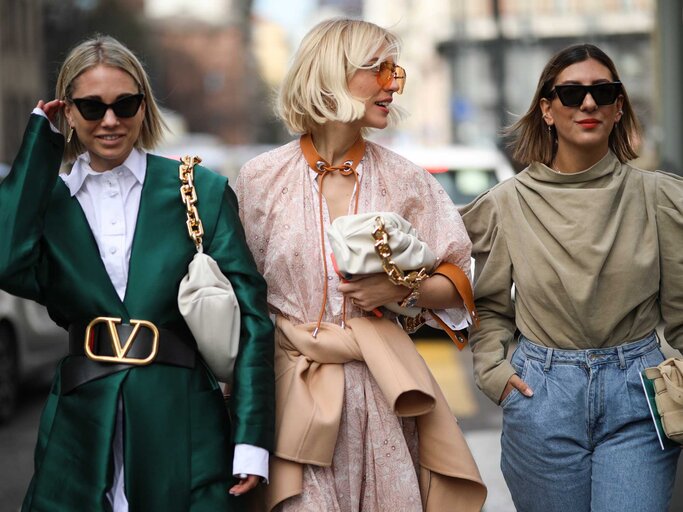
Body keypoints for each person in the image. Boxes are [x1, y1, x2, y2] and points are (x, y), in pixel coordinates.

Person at [0, 35, 274, 511]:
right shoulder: (49, 203)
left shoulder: (198, 190)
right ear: (68, 114)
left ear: (144, 107)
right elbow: (6, 262)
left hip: (185, 427)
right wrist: (37, 147)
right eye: (90, 107)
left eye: (125, 104)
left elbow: (253, 318)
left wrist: (251, 440)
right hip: (78, 431)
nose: (110, 120)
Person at [236, 18, 486, 512]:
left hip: (384, 395)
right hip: (291, 390)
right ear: (332, 74)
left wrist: (400, 292)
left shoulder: (406, 180)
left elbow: (458, 279)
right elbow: (237, 299)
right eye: (379, 69)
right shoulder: (258, 180)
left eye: (396, 71)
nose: (393, 83)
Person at [460, 43, 682, 512]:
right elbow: (491, 307)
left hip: (639, 397)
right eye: (571, 93)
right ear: (546, 108)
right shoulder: (508, 204)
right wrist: (495, 374)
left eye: (603, 92)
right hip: (542, 397)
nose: (588, 103)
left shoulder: (657, 197)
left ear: (618, 107)